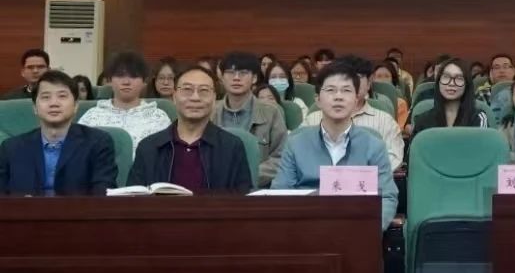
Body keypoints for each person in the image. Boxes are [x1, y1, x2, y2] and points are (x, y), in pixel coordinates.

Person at [272, 62, 397, 230]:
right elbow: (280, 195)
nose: (338, 97)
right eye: (330, 90)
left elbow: (387, 197)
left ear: (356, 100)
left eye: (346, 90)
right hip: (306, 231)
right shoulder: (295, 144)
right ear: (318, 100)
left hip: (359, 231)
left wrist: (368, 229)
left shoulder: (374, 145)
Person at [130, 65, 252, 193]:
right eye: (187, 90)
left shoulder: (231, 147)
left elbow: (242, 199)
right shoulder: (149, 147)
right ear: (174, 96)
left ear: (214, 98)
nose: (195, 98)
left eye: (204, 91)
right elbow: (132, 199)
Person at [0, 70, 117, 195]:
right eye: (46, 97)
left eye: (62, 96)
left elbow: (102, 195)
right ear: (35, 108)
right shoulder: (11, 148)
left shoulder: (98, 143)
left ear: (76, 106)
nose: (54, 103)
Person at [302, 56, 405, 171]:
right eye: (344, 77)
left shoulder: (385, 121)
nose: (351, 82)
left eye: (357, 77)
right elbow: (299, 155)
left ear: (369, 82)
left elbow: (394, 158)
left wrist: (358, 174)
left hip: (369, 180)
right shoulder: (312, 119)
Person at [211, 51, 288, 187]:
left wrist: (247, 176)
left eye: (243, 73)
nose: (236, 78)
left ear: (254, 78)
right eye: (230, 73)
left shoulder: (271, 112)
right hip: (216, 188)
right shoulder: (210, 113)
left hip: (259, 188)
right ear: (222, 78)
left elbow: (281, 157)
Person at [78, 51, 173, 153]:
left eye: (133, 76)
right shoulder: (91, 116)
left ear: (144, 81)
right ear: (110, 80)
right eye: (120, 76)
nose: (126, 82)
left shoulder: (159, 118)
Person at [412, 58, 490, 137]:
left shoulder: (478, 117)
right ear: (438, 82)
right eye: (446, 77)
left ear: (467, 84)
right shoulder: (423, 120)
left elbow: (482, 144)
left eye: (459, 78)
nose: (451, 83)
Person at [477, 53, 515, 125]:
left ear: (513, 71)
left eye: (505, 67)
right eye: (497, 67)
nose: (501, 71)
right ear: (491, 73)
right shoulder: (482, 93)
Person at [372, 60, 409, 129]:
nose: (383, 80)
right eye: (379, 76)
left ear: (393, 80)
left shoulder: (400, 103)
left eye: (387, 76)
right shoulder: (366, 100)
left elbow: (400, 128)